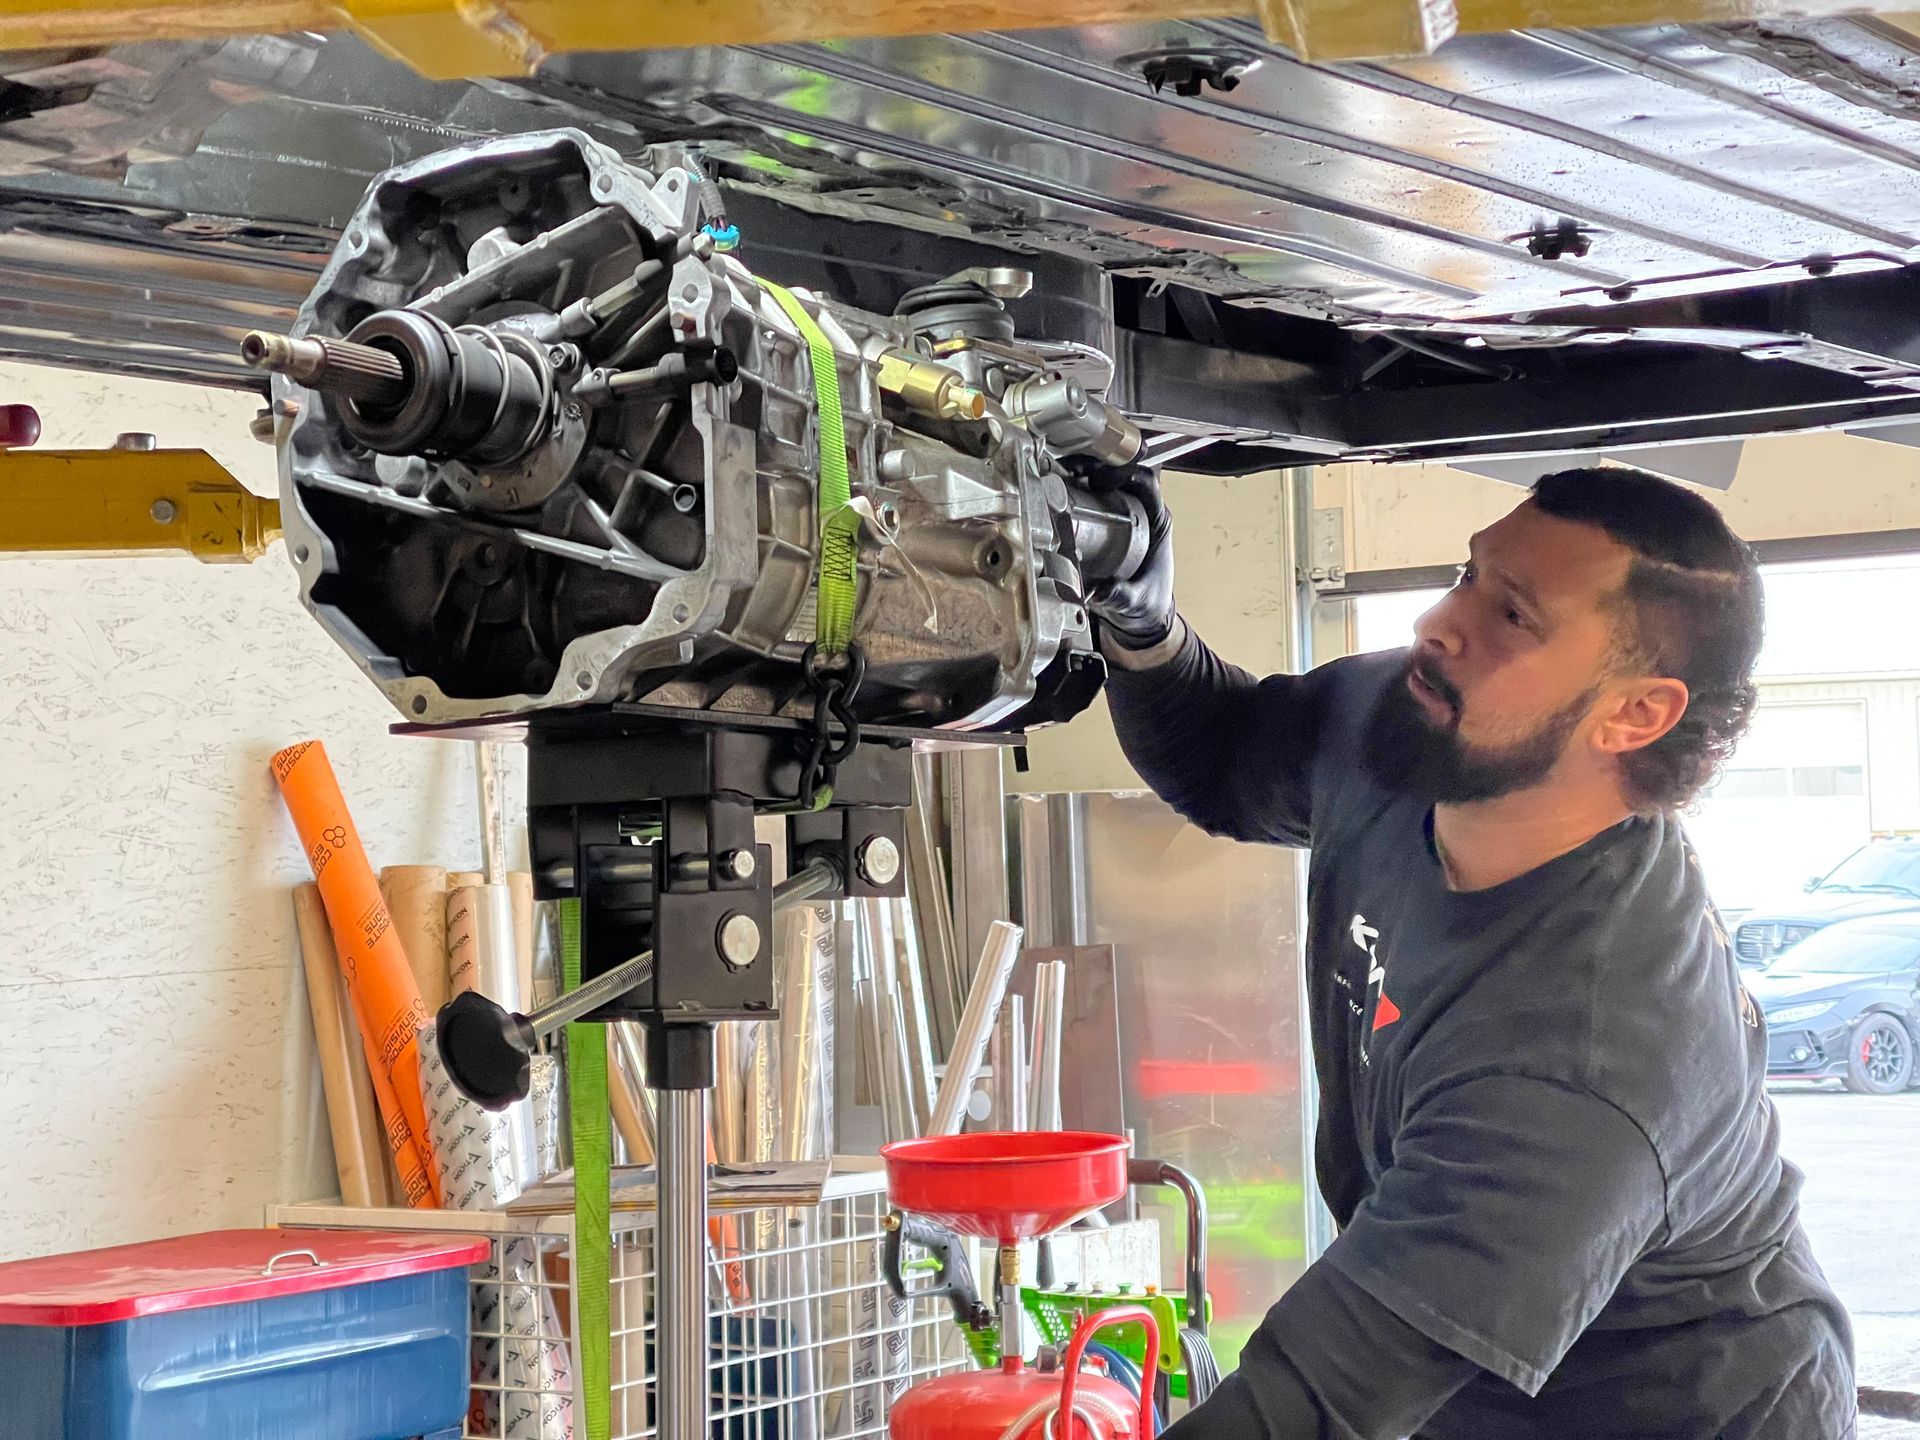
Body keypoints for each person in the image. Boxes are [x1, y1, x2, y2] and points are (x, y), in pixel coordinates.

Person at [1087, 465, 1855, 1439]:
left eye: (1515, 617)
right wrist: (1138, 622)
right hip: (1473, 1379)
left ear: (1635, 715)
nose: (1442, 623)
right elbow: (1227, 757)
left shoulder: (1586, 1055)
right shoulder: (1425, 730)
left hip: (1673, 1410)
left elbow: (1309, 1409)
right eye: (1468, 575)